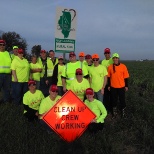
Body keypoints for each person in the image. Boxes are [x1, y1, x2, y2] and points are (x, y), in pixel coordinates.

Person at [108, 53, 129, 118]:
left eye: (116, 58)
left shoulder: (123, 66)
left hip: (121, 87)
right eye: (114, 58)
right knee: (114, 100)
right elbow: (108, 77)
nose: (115, 59)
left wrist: (126, 86)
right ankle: (114, 113)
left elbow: (126, 77)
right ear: (112, 59)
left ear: (118, 59)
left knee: (122, 100)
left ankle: (123, 112)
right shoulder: (110, 67)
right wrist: (109, 85)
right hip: (113, 87)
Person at [101, 48, 113, 114]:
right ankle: (105, 109)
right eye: (106, 53)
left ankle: (111, 109)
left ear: (110, 53)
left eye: (108, 53)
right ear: (104, 54)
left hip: (111, 80)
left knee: (111, 95)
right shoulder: (102, 61)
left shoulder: (112, 60)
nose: (107, 54)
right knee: (105, 96)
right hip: (105, 80)